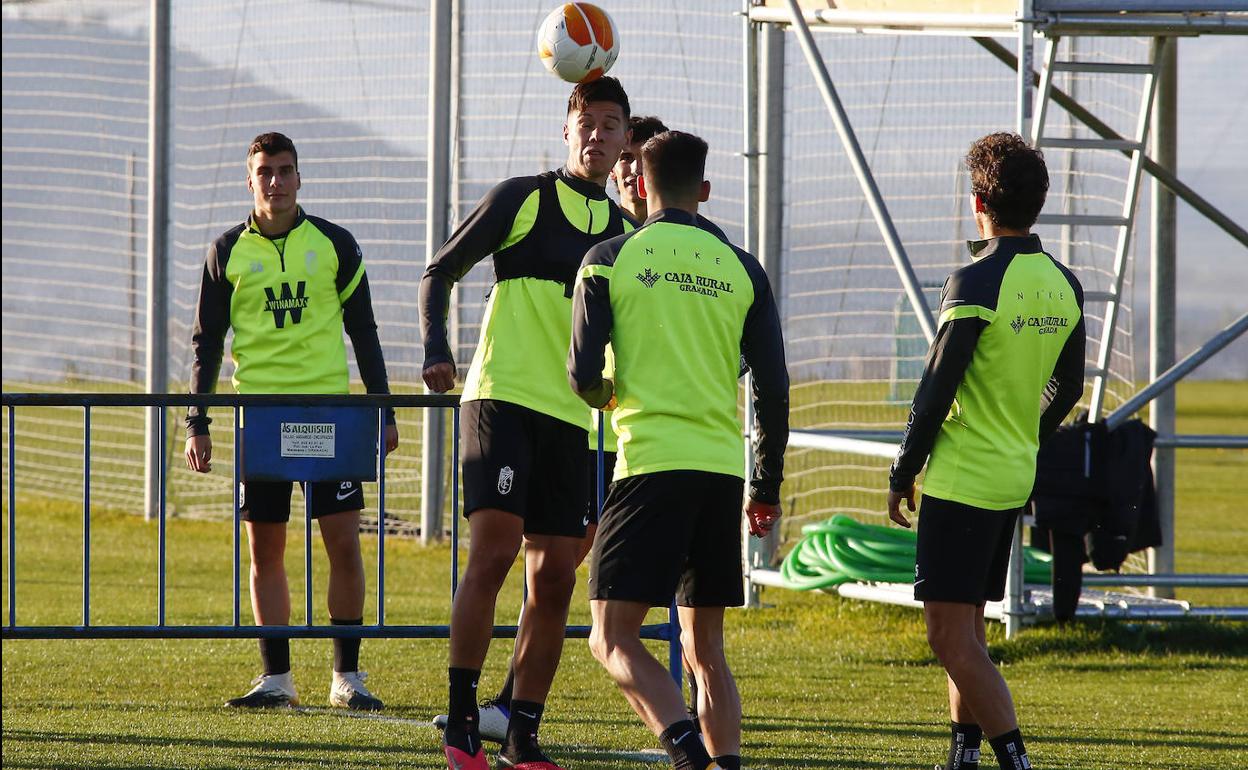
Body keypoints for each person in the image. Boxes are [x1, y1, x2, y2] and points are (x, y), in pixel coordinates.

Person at [464, 112, 719, 744]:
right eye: (621, 156)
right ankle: (505, 706)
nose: (625, 169)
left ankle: (686, 724)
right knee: (556, 568)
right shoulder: (605, 237)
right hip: (591, 425)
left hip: (632, 437)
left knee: (586, 582)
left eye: (635, 157)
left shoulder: (658, 247)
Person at [419, 77, 633, 770]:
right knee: (493, 557)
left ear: (627, 140)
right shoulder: (523, 197)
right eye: (586, 122)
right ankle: (459, 724)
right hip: (501, 400)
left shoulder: (631, 236)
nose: (597, 134)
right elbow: (440, 272)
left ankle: (521, 735)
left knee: (557, 582)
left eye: (611, 124)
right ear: (566, 132)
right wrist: (435, 348)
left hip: (570, 420)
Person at [569, 130, 789, 770]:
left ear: (640, 182)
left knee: (610, 638)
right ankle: (725, 763)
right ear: (705, 191)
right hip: (720, 473)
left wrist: (606, 390)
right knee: (705, 648)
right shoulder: (743, 268)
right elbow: (772, 389)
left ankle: (688, 753)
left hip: (650, 469)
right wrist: (765, 486)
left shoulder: (609, 258)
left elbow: (581, 375)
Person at [887, 132, 1085, 770]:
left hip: (963, 477)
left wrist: (903, 469)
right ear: (1039, 202)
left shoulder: (974, 279)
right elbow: (1070, 386)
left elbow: (935, 388)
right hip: (1011, 473)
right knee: (968, 628)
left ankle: (1014, 759)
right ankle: (963, 754)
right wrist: (1025, 430)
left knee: (948, 636)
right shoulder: (1064, 284)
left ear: (978, 201)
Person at [185, 132, 399, 711]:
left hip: (332, 413)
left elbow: (365, 332)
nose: (275, 181)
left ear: (300, 178)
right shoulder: (226, 252)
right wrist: (196, 422)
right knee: (265, 553)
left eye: (285, 170)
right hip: (262, 419)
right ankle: (276, 679)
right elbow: (207, 342)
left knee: (344, 546)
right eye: (264, 172)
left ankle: (347, 678)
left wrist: (384, 409)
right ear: (248, 181)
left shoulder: (334, 243)